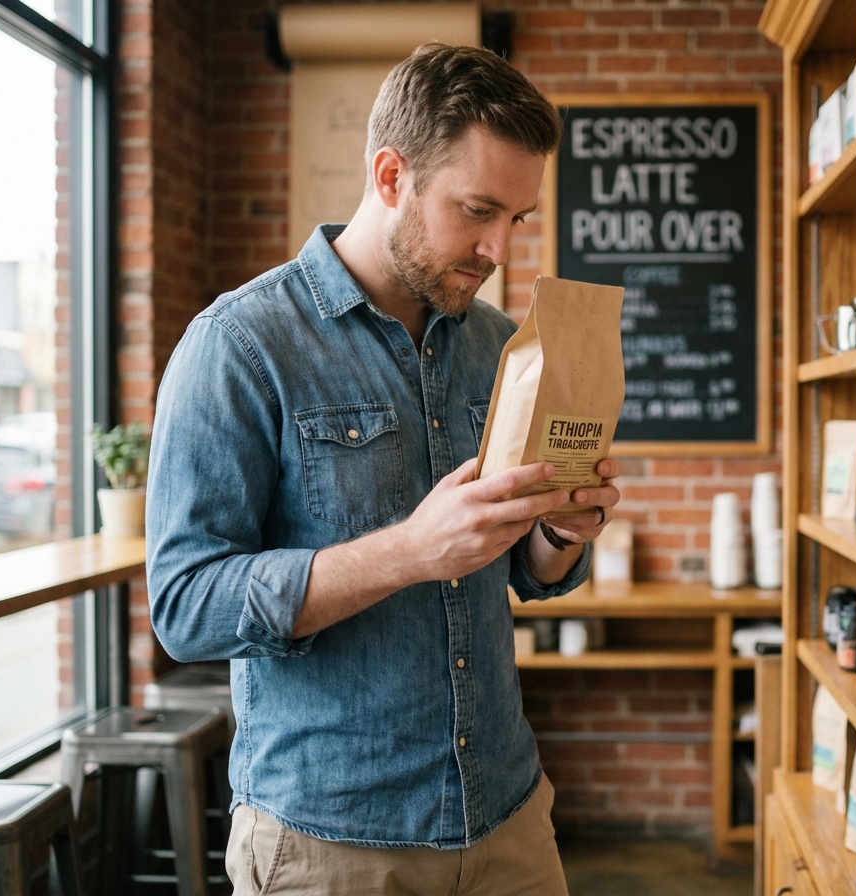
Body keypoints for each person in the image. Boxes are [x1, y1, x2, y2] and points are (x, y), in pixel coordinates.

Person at [146, 43, 619, 895]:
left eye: (515, 217)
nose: (498, 248)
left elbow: (529, 576)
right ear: (391, 174)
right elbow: (185, 608)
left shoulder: (494, 344)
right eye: (477, 209)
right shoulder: (239, 346)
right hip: (331, 843)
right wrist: (410, 551)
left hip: (508, 817)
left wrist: (557, 530)